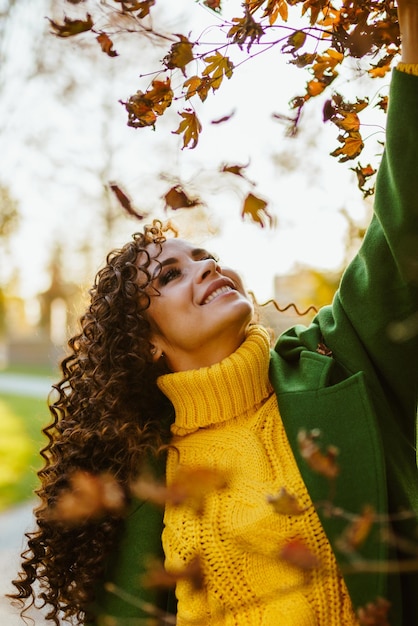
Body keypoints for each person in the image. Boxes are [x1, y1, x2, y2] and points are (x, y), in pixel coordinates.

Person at [9, 1, 418, 624]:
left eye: (204, 255)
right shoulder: (150, 484)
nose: (204, 266)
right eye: (171, 274)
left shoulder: (339, 360)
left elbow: (401, 231)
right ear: (143, 343)